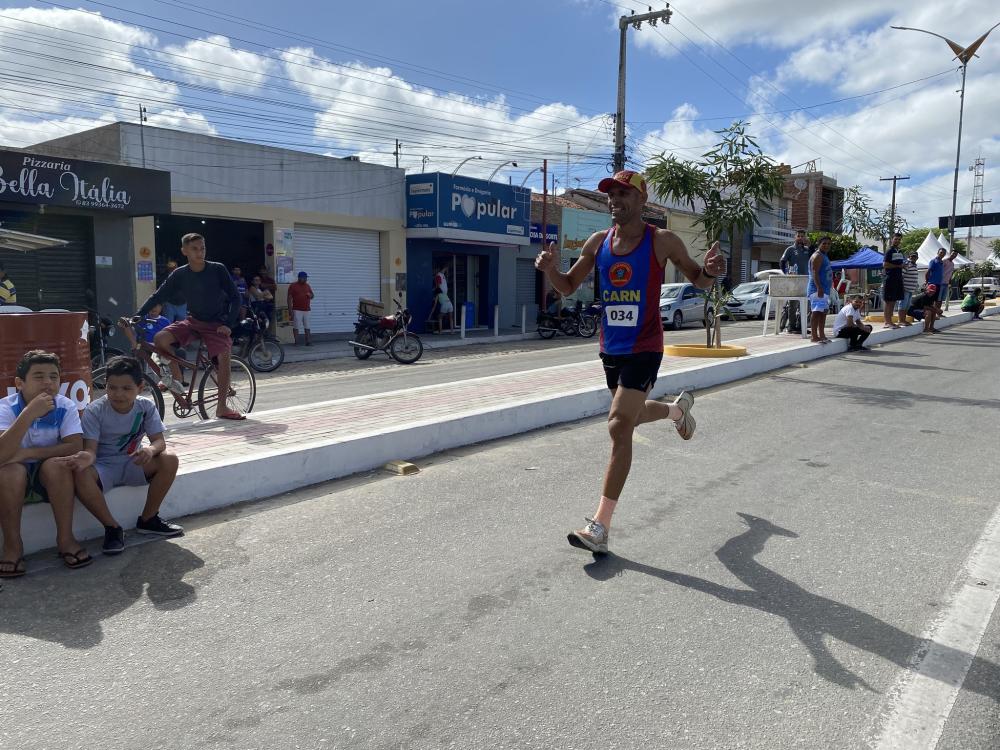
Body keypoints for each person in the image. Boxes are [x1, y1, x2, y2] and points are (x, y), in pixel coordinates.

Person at [534, 170, 724, 554]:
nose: (614, 200)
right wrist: (549, 270)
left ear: (641, 199)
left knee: (619, 425)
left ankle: (600, 526)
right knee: (631, 416)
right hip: (611, 347)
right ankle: (676, 412)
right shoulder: (597, 241)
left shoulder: (662, 240)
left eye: (623, 193)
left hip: (646, 345)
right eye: (611, 194)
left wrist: (710, 272)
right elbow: (569, 285)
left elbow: (697, 279)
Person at [55, 356, 182, 556]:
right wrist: (86, 458)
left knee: (170, 458)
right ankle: (112, 529)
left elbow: (160, 442)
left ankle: (149, 520)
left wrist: (149, 450)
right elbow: (91, 450)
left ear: (140, 388)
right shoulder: (95, 410)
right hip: (103, 466)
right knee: (80, 473)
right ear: (105, 386)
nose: (118, 394)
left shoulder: (146, 407)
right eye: (112, 387)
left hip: (134, 462)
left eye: (126, 388)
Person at [136, 233, 246, 420]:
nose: (200, 252)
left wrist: (228, 324)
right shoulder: (180, 274)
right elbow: (158, 296)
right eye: (194, 249)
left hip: (216, 324)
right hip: (193, 321)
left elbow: (236, 298)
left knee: (224, 355)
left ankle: (222, 407)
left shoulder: (217, 269)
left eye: (202, 248)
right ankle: (177, 378)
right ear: (184, 251)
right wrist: (138, 315)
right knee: (160, 339)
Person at [0, 351, 91, 576]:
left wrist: (28, 452)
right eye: (39, 376)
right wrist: (28, 414)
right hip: (13, 474)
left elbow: (74, 446)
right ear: (20, 383)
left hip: (45, 472)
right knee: (10, 472)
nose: (48, 383)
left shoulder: (64, 405)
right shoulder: (5, 407)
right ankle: (13, 546)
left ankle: (65, 539)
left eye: (54, 377)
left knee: (58, 466)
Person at [780, 230, 811, 332]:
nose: (801, 238)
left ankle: (802, 326)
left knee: (806, 305)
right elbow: (782, 261)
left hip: (806, 281)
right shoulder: (790, 249)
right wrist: (785, 274)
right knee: (792, 304)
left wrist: (810, 245)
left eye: (803, 236)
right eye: (799, 236)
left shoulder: (807, 249)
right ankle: (791, 326)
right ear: (795, 237)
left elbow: (815, 256)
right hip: (794, 281)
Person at [807, 236, 834, 343]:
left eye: (828, 244)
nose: (826, 245)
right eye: (824, 243)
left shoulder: (824, 256)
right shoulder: (817, 256)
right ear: (819, 244)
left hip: (825, 289)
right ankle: (814, 336)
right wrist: (819, 287)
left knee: (823, 313)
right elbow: (815, 273)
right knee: (817, 312)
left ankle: (822, 335)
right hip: (817, 289)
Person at [882, 233, 904, 329]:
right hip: (890, 278)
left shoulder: (899, 251)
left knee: (893, 301)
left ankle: (890, 321)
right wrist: (898, 266)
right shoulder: (889, 251)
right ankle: (887, 322)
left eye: (899, 239)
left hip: (898, 278)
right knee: (889, 301)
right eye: (896, 239)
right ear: (891, 239)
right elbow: (885, 265)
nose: (897, 241)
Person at [287, 271, 314, 346]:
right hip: (297, 309)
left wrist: (310, 295)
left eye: (306, 278)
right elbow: (289, 298)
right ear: (300, 278)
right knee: (296, 326)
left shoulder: (307, 286)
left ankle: (308, 341)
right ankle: (297, 342)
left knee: (307, 326)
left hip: (307, 310)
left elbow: (313, 296)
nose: (305, 279)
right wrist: (290, 311)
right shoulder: (293, 286)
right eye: (304, 278)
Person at [900, 250, 920, 326]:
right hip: (905, 289)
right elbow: (901, 276)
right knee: (902, 305)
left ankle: (903, 320)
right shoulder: (907, 264)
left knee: (907, 306)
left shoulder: (914, 265)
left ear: (917, 258)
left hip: (911, 290)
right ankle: (901, 320)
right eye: (912, 256)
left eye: (915, 256)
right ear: (909, 257)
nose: (913, 258)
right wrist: (902, 287)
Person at [926, 248, 945, 314]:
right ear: (938, 253)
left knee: (936, 300)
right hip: (932, 284)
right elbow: (928, 272)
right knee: (930, 300)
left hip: (938, 284)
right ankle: (930, 314)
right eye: (941, 252)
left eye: (943, 253)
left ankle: (934, 314)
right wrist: (927, 282)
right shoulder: (933, 261)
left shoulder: (942, 262)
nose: (942, 254)